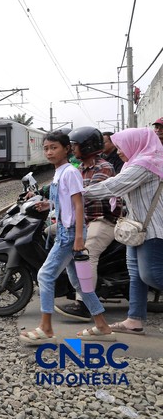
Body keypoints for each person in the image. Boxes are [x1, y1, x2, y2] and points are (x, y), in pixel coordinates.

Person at [18, 131, 114, 345]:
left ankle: (46, 327)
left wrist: (79, 237)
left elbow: (79, 205)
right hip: (66, 230)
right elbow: (66, 202)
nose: (49, 152)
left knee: (44, 276)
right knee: (79, 283)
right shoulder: (61, 171)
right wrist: (49, 205)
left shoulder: (69, 172)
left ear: (66, 149)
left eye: (54, 147)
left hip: (68, 234)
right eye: (46, 148)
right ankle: (102, 325)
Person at [84, 127, 163, 335]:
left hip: (153, 229)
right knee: (136, 275)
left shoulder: (146, 164)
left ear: (135, 143)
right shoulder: (134, 163)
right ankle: (134, 321)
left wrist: (78, 193)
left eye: (121, 146)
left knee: (152, 276)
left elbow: (114, 186)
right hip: (135, 228)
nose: (118, 151)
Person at [52, 127, 122, 321]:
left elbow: (87, 192)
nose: (72, 149)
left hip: (102, 220)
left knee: (86, 252)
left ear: (87, 146)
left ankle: (83, 305)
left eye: (75, 145)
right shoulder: (79, 168)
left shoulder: (104, 167)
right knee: (50, 233)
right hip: (84, 220)